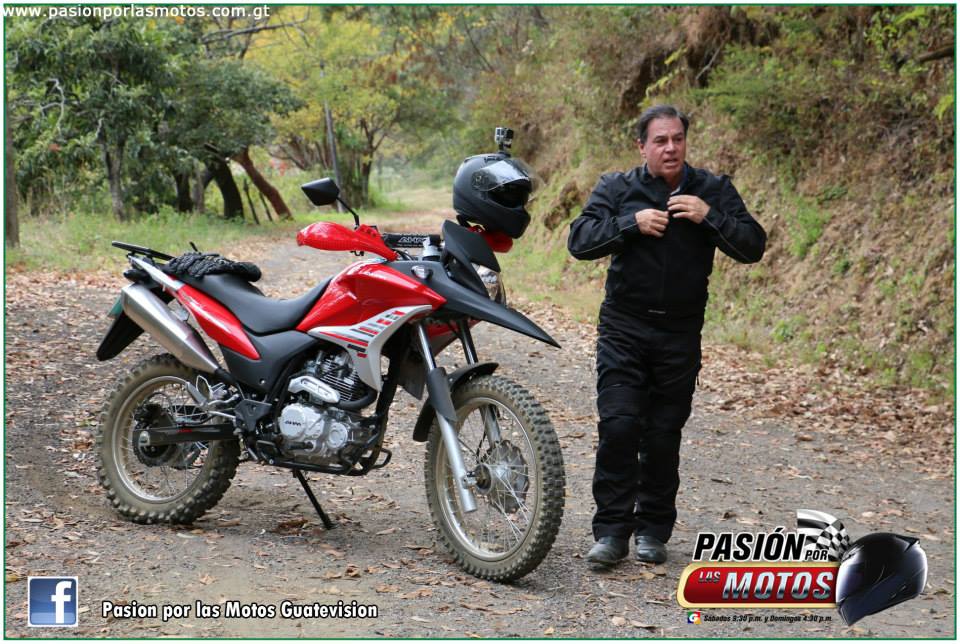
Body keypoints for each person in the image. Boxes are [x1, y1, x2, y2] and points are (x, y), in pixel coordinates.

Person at [567, 105, 766, 567]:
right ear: (642, 147)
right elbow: (580, 240)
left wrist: (709, 216)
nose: (671, 148)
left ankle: (653, 531)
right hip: (624, 327)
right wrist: (629, 225)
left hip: (680, 332)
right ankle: (611, 532)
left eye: (677, 139)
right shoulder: (617, 188)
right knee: (619, 425)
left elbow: (752, 245)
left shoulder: (712, 190)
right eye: (660, 140)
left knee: (661, 434)